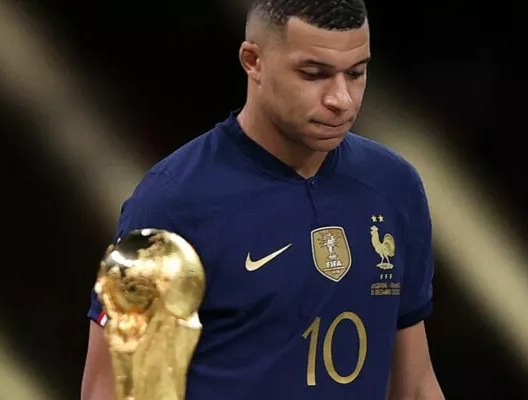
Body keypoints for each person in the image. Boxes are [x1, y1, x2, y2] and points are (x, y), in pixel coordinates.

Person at [81, 0, 444, 398]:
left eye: (356, 73)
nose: (341, 98)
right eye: (314, 74)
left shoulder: (393, 186)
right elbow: (108, 389)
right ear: (253, 61)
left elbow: (415, 386)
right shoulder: (173, 203)